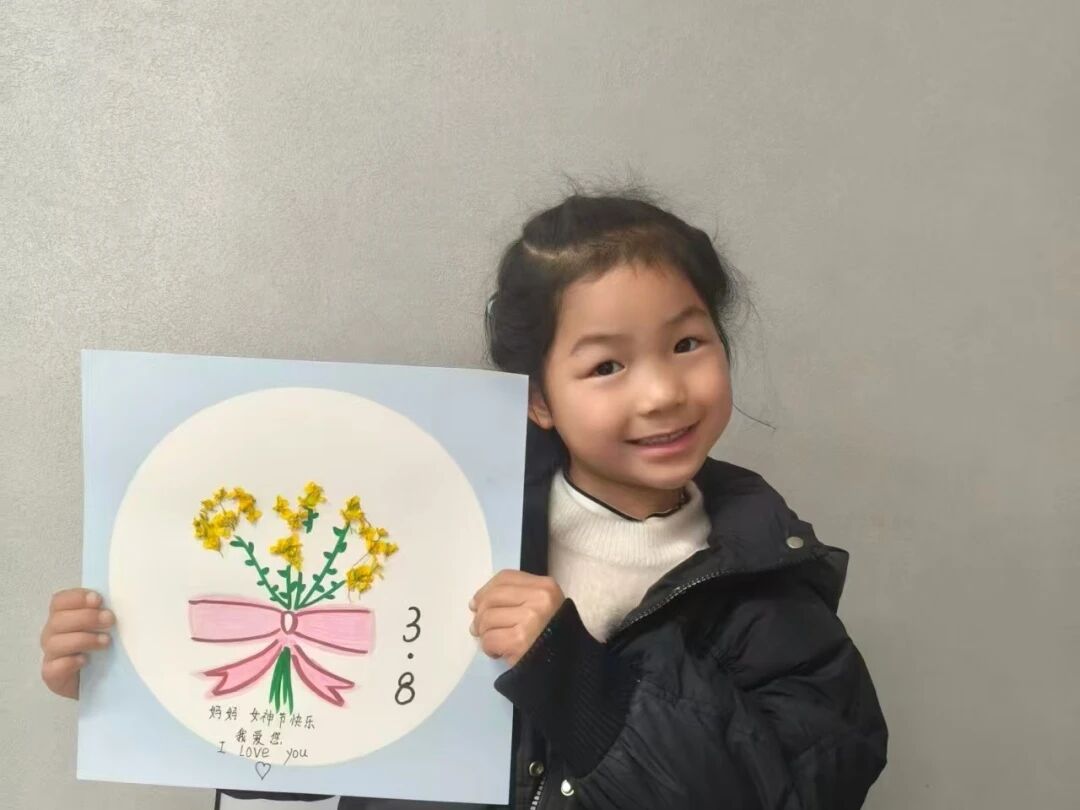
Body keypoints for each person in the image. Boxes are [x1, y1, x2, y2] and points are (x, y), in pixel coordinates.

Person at [41, 191, 888, 809]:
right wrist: (146, 679)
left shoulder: (770, 586)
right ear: (538, 398)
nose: (663, 392)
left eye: (688, 343)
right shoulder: (434, 539)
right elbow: (320, 753)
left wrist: (578, 681)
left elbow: (797, 792)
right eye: (606, 365)